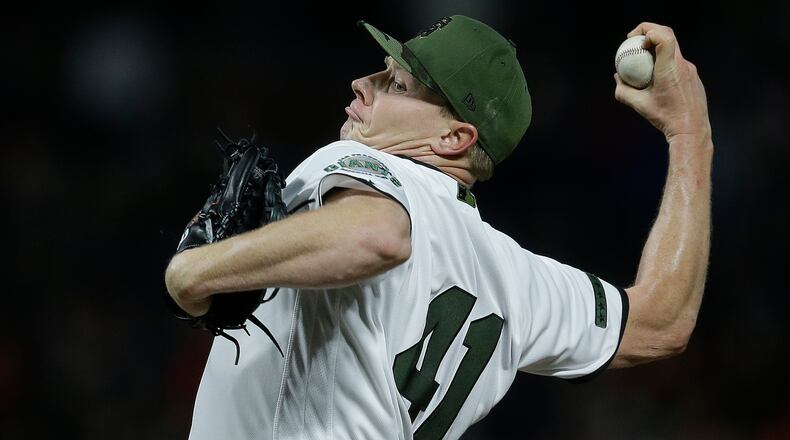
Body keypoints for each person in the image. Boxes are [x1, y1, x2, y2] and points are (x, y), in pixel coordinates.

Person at [165, 15, 712, 440]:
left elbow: (377, 236)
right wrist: (690, 134)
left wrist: (193, 272)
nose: (363, 83)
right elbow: (662, 320)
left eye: (397, 84)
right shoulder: (515, 278)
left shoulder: (370, 166)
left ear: (454, 138)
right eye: (383, 69)